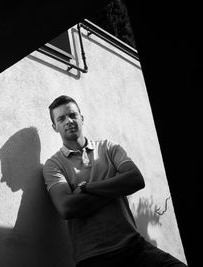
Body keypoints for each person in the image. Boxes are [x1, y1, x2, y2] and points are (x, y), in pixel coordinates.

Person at [42, 95, 187, 267]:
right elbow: (67, 208)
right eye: (61, 118)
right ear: (54, 127)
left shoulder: (108, 147)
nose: (69, 121)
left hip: (134, 246)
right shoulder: (53, 165)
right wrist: (116, 186)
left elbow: (135, 179)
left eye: (73, 115)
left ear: (82, 118)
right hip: (92, 257)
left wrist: (87, 187)